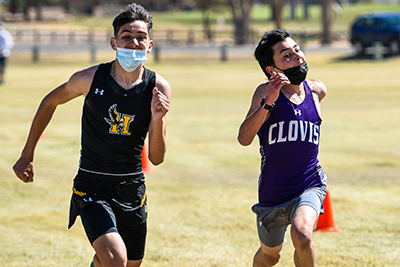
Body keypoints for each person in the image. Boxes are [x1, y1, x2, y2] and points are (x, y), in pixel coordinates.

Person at [12, 3, 171, 267]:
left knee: (128, 263)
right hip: (92, 184)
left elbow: (156, 158)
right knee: (115, 258)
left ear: (150, 45)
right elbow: (50, 102)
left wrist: (158, 119)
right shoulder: (90, 79)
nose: (134, 43)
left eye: (141, 37)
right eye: (127, 37)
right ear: (113, 42)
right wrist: (27, 154)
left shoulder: (158, 87)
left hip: (131, 187)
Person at [237, 29, 328, 267]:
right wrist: (270, 101)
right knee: (270, 256)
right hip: (273, 192)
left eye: (297, 50)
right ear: (272, 70)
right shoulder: (265, 92)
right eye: (286, 55)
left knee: (302, 234)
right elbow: (244, 138)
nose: (297, 57)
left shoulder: (317, 90)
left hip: (309, 183)